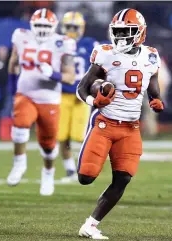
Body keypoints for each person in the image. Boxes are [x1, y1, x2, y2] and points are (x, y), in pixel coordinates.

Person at [76, 8, 164, 239]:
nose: (122, 36)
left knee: (123, 177)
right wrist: (93, 100)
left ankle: (91, 225)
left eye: (127, 31)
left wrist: (155, 98)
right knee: (86, 177)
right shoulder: (104, 53)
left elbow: (151, 82)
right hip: (104, 122)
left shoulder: (151, 56)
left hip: (130, 127)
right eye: (118, 31)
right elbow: (82, 87)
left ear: (141, 32)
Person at [6, 8, 76, 196]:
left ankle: (48, 173)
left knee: (48, 144)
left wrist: (52, 74)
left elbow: (70, 77)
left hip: (49, 98)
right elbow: (13, 63)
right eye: (39, 25)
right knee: (20, 126)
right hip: (25, 94)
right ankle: (19, 164)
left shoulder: (63, 43)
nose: (42, 29)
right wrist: (14, 90)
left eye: (46, 25)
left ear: (53, 26)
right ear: (32, 25)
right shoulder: (21, 37)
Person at [58, 11, 98, 182]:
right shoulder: (57, 44)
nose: (72, 31)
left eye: (75, 27)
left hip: (81, 96)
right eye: (69, 27)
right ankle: (69, 169)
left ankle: (88, 165)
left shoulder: (90, 44)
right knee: (61, 136)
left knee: (80, 135)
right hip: (62, 94)